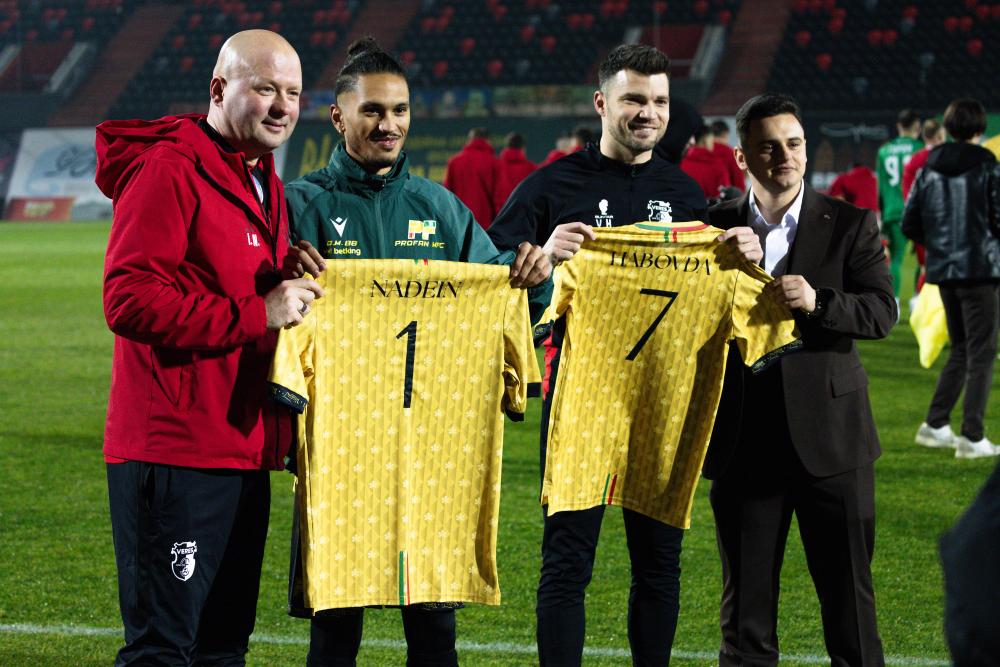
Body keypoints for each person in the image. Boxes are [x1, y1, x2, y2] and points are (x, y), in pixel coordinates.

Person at [488, 43, 762, 666]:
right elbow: (491, 277)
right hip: (581, 398)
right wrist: (540, 259)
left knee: (660, 561)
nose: (648, 112)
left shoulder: (684, 194)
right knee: (567, 561)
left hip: (664, 400)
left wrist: (742, 254)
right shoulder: (551, 186)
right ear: (602, 103)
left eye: (659, 101)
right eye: (634, 99)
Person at [282, 37, 550, 667]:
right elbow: (261, 301)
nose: (389, 124)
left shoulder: (440, 208)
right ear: (338, 117)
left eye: (399, 110)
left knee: (434, 630)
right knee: (335, 628)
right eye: (373, 110)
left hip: (433, 445)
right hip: (342, 442)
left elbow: (501, 297)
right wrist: (280, 272)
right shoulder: (299, 205)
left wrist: (535, 281)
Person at [95, 30, 326, 665]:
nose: (282, 106)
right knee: (164, 649)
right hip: (176, 453)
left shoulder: (258, 174)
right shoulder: (169, 168)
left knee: (224, 647)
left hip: (241, 447)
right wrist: (259, 310)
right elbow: (128, 299)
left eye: (293, 93)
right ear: (219, 90)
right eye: (265, 89)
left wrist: (281, 269)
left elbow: (220, 271)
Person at [705, 93, 896, 667]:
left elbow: (882, 312)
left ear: (807, 150)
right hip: (743, 443)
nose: (784, 156)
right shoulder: (710, 227)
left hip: (834, 443)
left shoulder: (852, 224)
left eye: (794, 144)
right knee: (745, 619)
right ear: (743, 158)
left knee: (850, 609)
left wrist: (819, 302)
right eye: (768, 147)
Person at [902, 98, 1000, 459]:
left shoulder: (929, 166)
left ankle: (936, 424)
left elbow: (911, 222)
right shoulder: (987, 165)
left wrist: (943, 245)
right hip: (981, 269)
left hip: (944, 271)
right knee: (982, 352)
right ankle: (972, 437)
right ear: (979, 128)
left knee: (961, 348)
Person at [876, 108, 923, 303]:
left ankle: (893, 304)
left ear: (898, 126)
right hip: (918, 212)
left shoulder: (884, 151)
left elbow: (880, 187)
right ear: (917, 127)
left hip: (893, 211)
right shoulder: (920, 149)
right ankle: (917, 302)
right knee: (922, 258)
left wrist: (882, 214)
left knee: (895, 258)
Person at [902, 118, 947, 295]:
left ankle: (919, 299)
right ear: (938, 136)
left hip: (921, 219)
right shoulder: (945, 157)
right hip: (943, 219)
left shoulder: (915, 160)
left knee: (925, 265)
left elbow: (908, 192)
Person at [442, 126, 497, 229]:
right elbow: (498, 197)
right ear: (488, 141)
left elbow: (446, 195)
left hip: (460, 221)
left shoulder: (454, 162)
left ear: (470, 140)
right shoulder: (494, 162)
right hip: (486, 225)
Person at [680, 123, 731, 201]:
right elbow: (726, 197)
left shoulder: (680, 164)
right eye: (711, 140)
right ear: (705, 140)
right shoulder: (718, 166)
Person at [493, 131, 536, 214]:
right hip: (524, 214)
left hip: (500, 213)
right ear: (523, 148)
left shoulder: (496, 165)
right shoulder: (531, 167)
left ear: (506, 147)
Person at [710, 118, 746, 191]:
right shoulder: (729, 153)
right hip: (725, 195)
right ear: (725, 134)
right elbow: (738, 182)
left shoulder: (701, 149)